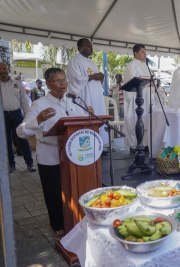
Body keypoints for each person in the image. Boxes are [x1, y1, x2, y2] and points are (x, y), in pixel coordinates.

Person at [17, 68, 90, 240]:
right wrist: (39, 120)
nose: (63, 83)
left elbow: (83, 121)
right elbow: (20, 132)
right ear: (48, 84)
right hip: (49, 154)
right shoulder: (39, 105)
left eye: (64, 80)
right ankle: (58, 226)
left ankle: (78, 218)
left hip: (74, 155)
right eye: (57, 81)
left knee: (73, 190)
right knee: (54, 192)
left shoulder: (73, 101)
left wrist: (88, 114)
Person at [66, 38, 108, 146]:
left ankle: (99, 144)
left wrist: (100, 78)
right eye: (88, 46)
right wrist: (94, 76)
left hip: (96, 97)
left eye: (91, 46)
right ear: (80, 48)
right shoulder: (74, 61)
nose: (91, 48)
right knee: (87, 120)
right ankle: (88, 145)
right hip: (85, 97)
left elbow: (95, 79)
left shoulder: (92, 63)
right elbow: (75, 79)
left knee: (98, 116)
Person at [0, 62, 36, 173]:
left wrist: (28, 117)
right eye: (0, 68)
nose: (3, 70)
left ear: (9, 69)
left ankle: (29, 163)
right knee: (6, 141)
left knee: (23, 138)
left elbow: (24, 102)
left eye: (4, 68)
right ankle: (11, 164)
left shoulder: (17, 84)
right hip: (3, 116)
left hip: (17, 115)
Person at [123, 44, 152, 152]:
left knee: (146, 120)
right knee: (135, 120)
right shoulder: (131, 66)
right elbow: (131, 83)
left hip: (146, 98)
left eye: (145, 51)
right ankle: (134, 145)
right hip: (136, 99)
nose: (145, 54)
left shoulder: (145, 65)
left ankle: (145, 144)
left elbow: (149, 79)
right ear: (136, 53)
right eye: (143, 51)